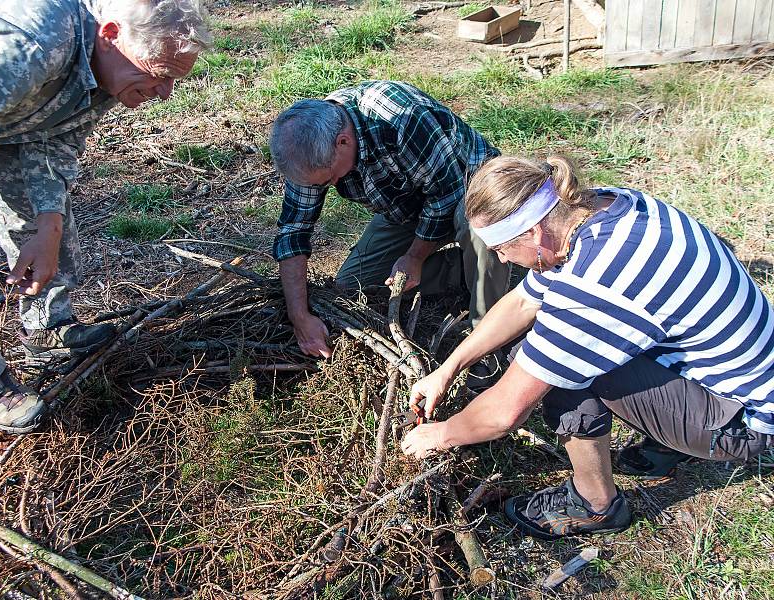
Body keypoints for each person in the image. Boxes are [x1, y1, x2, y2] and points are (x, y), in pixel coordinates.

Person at [400, 155, 774, 540]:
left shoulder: (594, 285)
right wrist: (448, 368)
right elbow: (524, 302)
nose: (500, 259)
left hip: (745, 421)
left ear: (533, 234)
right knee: (557, 348)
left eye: (501, 248)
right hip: (734, 379)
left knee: (559, 372)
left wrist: (442, 434)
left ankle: (595, 504)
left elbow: (505, 413)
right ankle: (670, 438)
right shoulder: (605, 208)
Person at [0, 0, 211, 433]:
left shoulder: (113, 70)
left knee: (52, 227)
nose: (164, 93)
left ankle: (48, 332)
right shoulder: (29, 44)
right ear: (111, 34)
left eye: (175, 79)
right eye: (158, 73)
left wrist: (48, 226)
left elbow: (58, 138)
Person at [268, 80, 517, 359]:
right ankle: (469, 271)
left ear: (343, 142)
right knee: (354, 287)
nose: (331, 184)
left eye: (330, 179)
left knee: (477, 225)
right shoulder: (307, 150)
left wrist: (415, 257)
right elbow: (294, 230)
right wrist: (299, 315)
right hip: (407, 209)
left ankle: (486, 340)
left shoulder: (400, 118)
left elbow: (447, 195)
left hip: (471, 190)